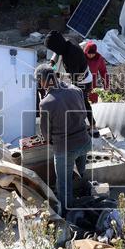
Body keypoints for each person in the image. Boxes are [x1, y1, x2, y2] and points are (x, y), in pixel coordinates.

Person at [36, 63, 91, 214]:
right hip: (85, 142)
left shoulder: (46, 103)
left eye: (39, 81)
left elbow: (46, 133)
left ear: (42, 81)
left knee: (63, 184)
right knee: (81, 168)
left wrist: (51, 141)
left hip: (66, 149)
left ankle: (68, 213)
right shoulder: (76, 89)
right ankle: (86, 187)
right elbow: (85, 114)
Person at [44, 30, 95, 128]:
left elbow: (73, 76)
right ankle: (86, 124)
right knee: (77, 103)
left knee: (81, 103)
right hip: (78, 75)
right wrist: (51, 63)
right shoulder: (67, 41)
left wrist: (56, 74)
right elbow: (57, 52)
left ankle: (90, 126)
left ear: (57, 45)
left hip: (83, 80)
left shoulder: (72, 54)